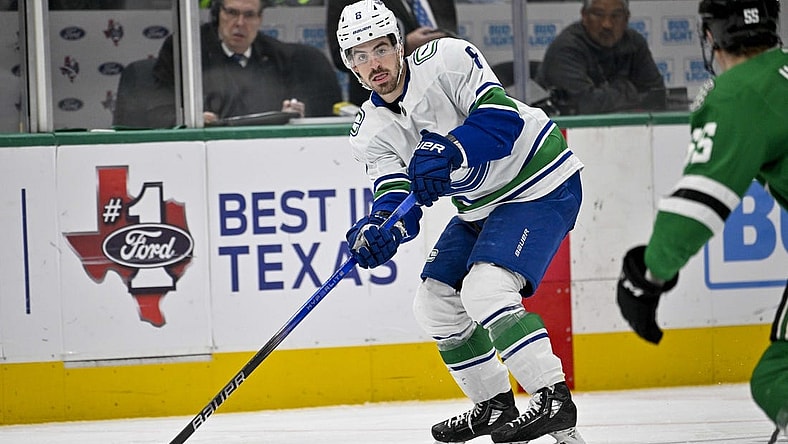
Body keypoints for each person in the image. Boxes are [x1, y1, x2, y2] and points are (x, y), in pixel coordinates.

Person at [336, 1, 586, 442]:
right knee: (434, 304)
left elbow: (502, 120)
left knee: (485, 289)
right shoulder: (369, 130)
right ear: (348, 64)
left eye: (380, 49)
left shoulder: (447, 59)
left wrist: (451, 147)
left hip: (540, 182)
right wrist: (380, 229)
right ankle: (494, 404)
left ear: (399, 44)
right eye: (359, 55)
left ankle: (553, 397)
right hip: (479, 207)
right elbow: (395, 197)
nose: (373, 63)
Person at [615, 0, 787, 441]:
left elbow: (700, 204)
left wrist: (647, 276)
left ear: (711, 35)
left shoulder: (738, 92)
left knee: (779, 374)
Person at [152, 0, 341, 125]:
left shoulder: (278, 56)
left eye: (249, 15)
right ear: (218, 13)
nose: (240, 23)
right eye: (232, 13)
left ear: (260, 19)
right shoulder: (186, 49)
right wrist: (191, 121)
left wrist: (290, 115)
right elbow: (157, 111)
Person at [535, 0, 665, 115]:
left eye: (616, 16)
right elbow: (585, 104)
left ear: (626, 18)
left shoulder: (634, 43)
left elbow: (656, 95)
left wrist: (606, 95)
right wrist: (629, 90)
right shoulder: (566, 47)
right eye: (598, 14)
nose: (607, 24)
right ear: (584, 16)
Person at [326, 0, 457, 106]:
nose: (375, 64)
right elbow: (340, 55)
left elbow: (451, 31)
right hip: (386, 104)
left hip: (445, 92)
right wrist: (404, 44)